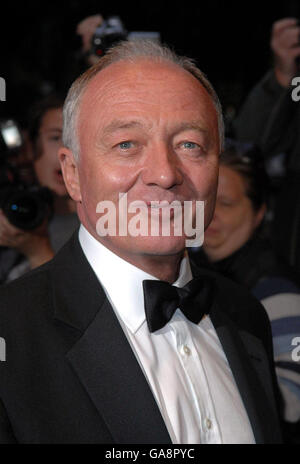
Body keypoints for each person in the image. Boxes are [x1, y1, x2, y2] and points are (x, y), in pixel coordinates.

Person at [0, 40, 282, 444]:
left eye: (190, 145)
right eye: (126, 145)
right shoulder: (11, 336)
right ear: (73, 174)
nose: (165, 173)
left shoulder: (247, 317)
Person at [190, 140, 300, 442]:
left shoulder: (278, 292)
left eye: (225, 203)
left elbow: (292, 404)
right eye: (205, 201)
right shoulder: (183, 270)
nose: (211, 215)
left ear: (258, 211)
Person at [0, 95, 79, 283]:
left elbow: (74, 309)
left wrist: (38, 252)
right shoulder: (9, 213)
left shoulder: (108, 227)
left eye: (76, 137)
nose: (66, 150)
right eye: (56, 137)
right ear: (30, 147)